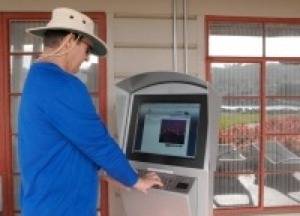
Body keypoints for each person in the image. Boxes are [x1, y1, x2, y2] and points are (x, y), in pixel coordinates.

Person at [18, 7, 163, 216]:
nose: (87, 58)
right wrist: (136, 180)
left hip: (43, 205)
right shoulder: (63, 85)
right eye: (87, 49)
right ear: (70, 40)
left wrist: (107, 172)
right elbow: (97, 142)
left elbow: (68, 144)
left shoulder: (37, 78)